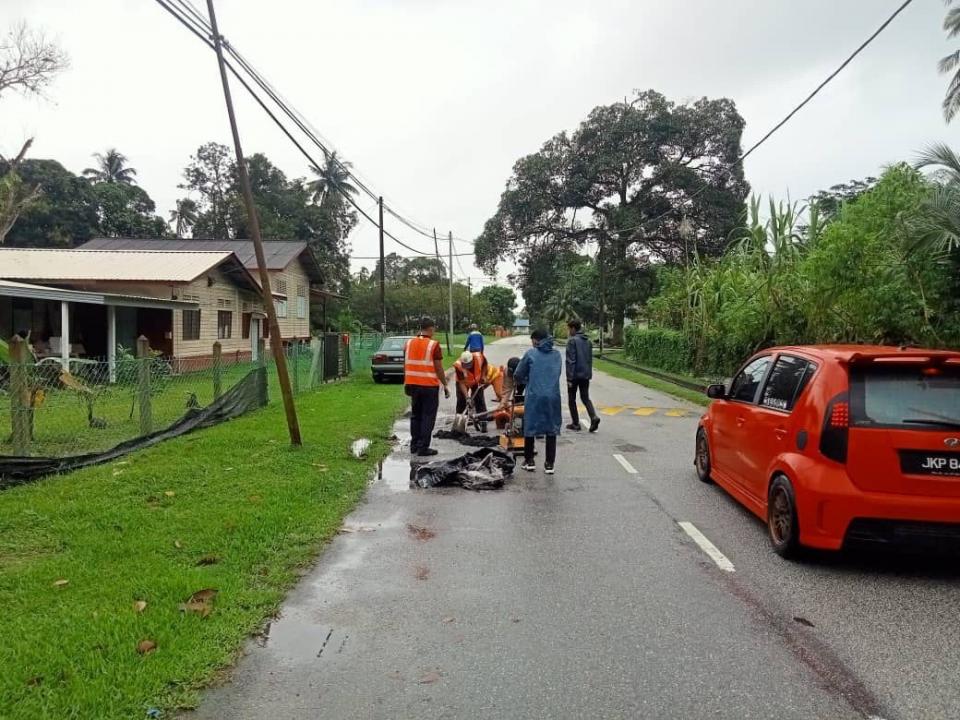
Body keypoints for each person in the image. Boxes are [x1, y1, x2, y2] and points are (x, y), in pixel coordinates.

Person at [514, 328, 562, 474]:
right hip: (553, 396)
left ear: (536, 340)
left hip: (534, 396)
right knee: (551, 428)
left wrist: (526, 380)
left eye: (532, 340)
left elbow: (518, 374)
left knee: (530, 426)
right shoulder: (557, 355)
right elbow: (557, 373)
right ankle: (549, 464)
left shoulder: (531, 354)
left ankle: (529, 461)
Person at [404, 317, 450, 456]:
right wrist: (445, 384)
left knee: (416, 415)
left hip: (412, 384)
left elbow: (405, 364)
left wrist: (406, 382)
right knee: (427, 416)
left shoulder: (409, 343)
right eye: (434, 328)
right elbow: (438, 368)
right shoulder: (433, 345)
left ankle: (414, 445)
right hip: (428, 386)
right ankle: (423, 447)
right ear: (430, 328)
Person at [565, 319, 600, 433]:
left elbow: (571, 361)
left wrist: (569, 378)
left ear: (573, 328)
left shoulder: (572, 341)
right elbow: (589, 360)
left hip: (574, 375)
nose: (569, 331)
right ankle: (593, 417)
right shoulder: (588, 341)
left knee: (572, 399)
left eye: (569, 329)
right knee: (585, 397)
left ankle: (576, 423)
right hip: (585, 374)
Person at [453, 350, 489, 432]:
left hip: (476, 381)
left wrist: (483, 376)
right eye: (465, 365)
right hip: (463, 382)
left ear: (472, 360)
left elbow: (485, 364)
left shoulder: (479, 357)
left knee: (479, 399)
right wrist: (467, 398)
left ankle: (483, 422)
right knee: (461, 401)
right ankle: (461, 425)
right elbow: (461, 383)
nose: (467, 366)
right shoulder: (458, 366)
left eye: (468, 365)